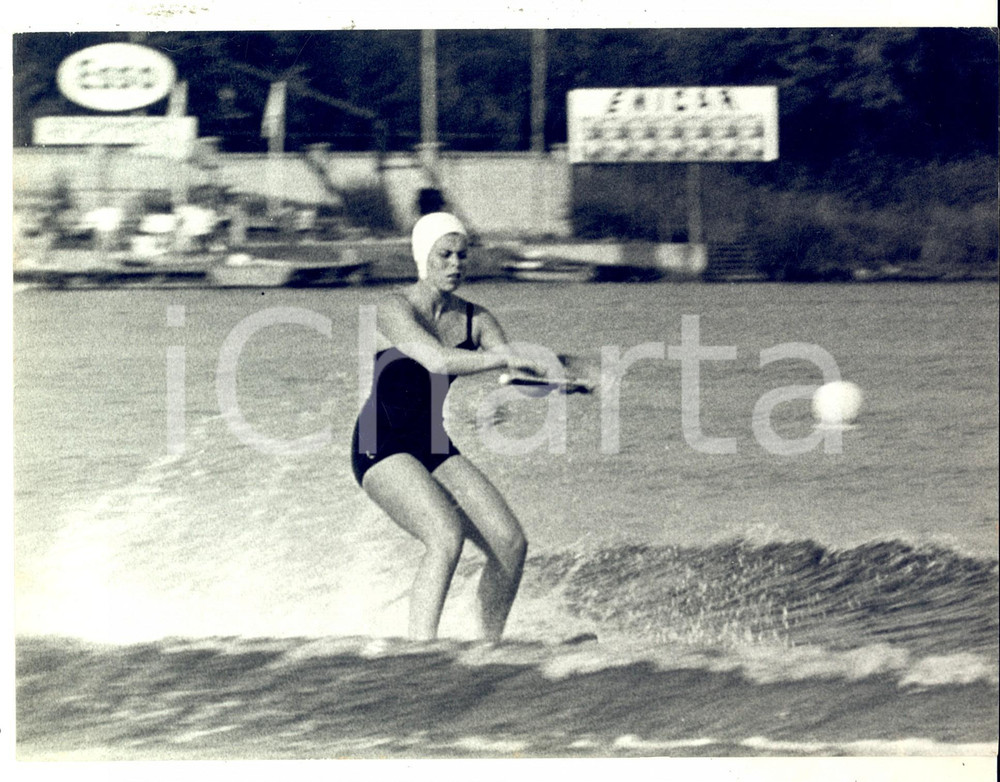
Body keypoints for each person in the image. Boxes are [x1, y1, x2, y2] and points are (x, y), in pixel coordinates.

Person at [351, 212, 548, 642]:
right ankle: (421, 652)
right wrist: (508, 358)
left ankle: (487, 645)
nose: (456, 263)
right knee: (445, 534)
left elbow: (517, 376)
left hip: (431, 442)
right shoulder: (393, 308)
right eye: (445, 254)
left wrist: (555, 378)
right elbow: (438, 359)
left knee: (510, 543)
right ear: (424, 257)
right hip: (378, 443)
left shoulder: (477, 319)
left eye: (462, 255)